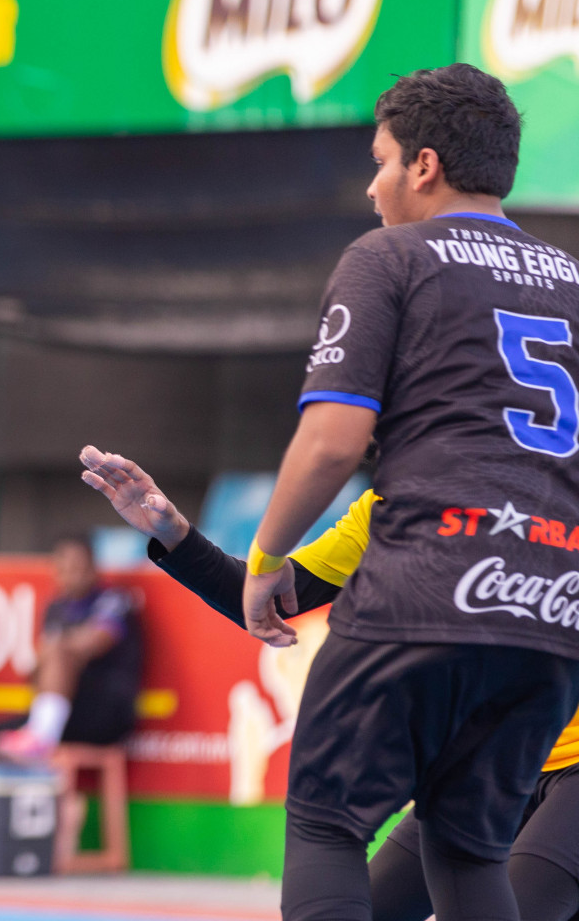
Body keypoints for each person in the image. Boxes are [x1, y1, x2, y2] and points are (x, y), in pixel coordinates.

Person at [238, 64, 579, 921]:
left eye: (381, 160)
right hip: (548, 612)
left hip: (422, 591)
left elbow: (333, 441)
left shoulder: (390, 256)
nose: (371, 184)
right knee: (469, 851)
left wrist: (265, 556)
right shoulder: (572, 281)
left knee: (324, 826)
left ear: (423, 166)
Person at [83, 443, 579, 921]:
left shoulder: (559, 497)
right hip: (484, 767)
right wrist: (175, 535)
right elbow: (263, 599)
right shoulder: (392, 506)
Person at [0, 533, 142, 762]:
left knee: (58, 650)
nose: (70, 575)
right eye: (63, 568)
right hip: (61, 712)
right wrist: (46, 660)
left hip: (104, 713)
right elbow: (35, 674)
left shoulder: (114, 599)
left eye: (77, 567)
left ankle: (42, 738)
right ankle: (38, 739)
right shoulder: (55, 608)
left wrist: (54, 652)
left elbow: (94, 641)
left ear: (93, 567)